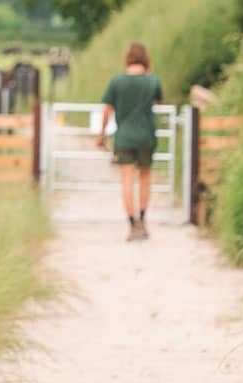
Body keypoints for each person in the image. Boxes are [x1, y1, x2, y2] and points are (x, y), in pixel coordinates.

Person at [96, 43, 163, 241]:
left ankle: (132, 224)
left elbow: (107, 109)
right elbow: (157, 103)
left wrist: (101, 134)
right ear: (146, 60)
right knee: (144, 178)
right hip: (146, 136)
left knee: (127, 181)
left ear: (127, 59)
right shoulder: (152, 81)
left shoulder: (117, 82)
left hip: (124, 137)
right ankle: (143, 219)